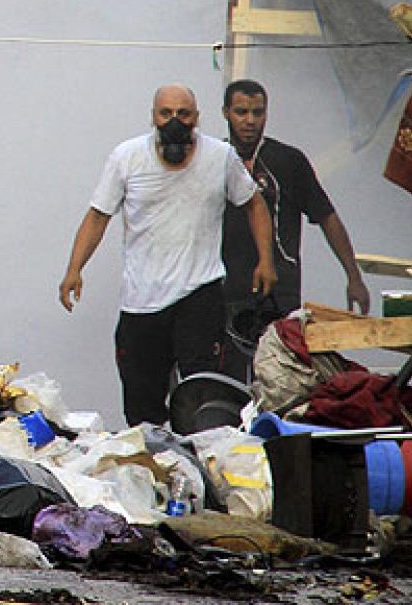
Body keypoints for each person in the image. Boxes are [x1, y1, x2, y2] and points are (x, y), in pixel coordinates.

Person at [58, 84, 277, 427]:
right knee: (141, 403)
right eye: (166, 114)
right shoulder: (127, 157)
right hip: (142, 299)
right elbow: (98, 215)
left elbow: (254, 204)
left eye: (183, 114)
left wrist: (266, 260)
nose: (175, 122)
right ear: (153, 117)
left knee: (202, 395)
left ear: (197, 118)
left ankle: (203, 453)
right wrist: (75, 269)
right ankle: (153, 456)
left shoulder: (220, 156)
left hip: (199, 291)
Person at [220, 79, 370, 331]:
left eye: (258, 112)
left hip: (280, 290)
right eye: (241, 112)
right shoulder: (214, 160)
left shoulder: (288, 161)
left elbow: (327, 217)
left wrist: (353, 276)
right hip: (225, 289)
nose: (250, 121)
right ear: (226, 113)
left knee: (279, 354)